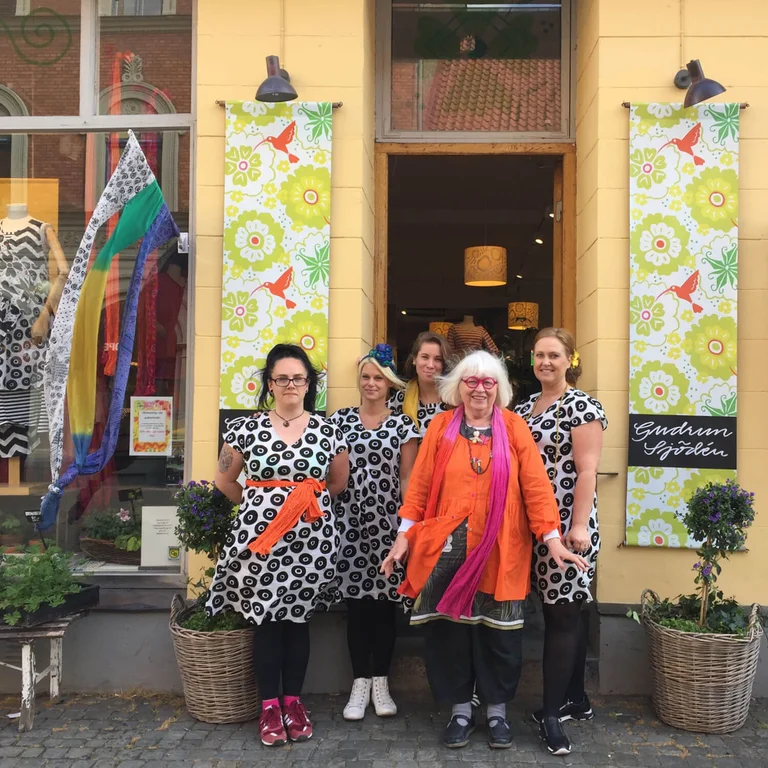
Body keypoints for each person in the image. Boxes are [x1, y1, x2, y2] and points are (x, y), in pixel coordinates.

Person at [382, 350, 588, 750]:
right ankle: (460, 712)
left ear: (500, 388)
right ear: (458, 386)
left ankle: (496, 714)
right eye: (471, 381)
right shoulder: (441, 426)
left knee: (501, 638)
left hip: (502, 552)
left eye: (488, 381)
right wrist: (402, 538)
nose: (480, 389)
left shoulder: (513, 427)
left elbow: (536, 488)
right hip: (447, 553)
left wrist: (552, 539)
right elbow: (420, 487)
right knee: (450, 638)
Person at [210, 343, 349, 748]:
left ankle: (293, 703)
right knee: (267, 623)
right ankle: (269, 706)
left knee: (297, 622)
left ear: (310, 385)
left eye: (299, 378)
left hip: (310, 543)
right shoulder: (244, 430)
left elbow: (337, 483)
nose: (291, 384)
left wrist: (301, 502)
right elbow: (223, 480)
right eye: (282, 378)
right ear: (270, 384)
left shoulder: (328, 431)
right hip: (261, 544)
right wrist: (259, 507)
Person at [515, 328, 607, 756]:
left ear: (570, 359)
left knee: (562, 615)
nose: (545, 362)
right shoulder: (523, 408)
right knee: (569, 609)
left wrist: (580, 525)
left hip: (569, 527)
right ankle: (576, 698)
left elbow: (586, 470)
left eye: (554, 355)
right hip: (528, 525)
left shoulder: (583, 405)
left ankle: (552, 714)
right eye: (539, 355)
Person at [329, 344, 420, 721]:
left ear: (390, 384)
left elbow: (407, 481)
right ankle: (359, 683)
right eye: (365, 377)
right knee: (358, 609)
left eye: (378, 378)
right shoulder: (338, 421)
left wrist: (407, 530)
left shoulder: (404, 426)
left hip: (388, 528)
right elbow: (332, 478)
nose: (371, 384)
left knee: (384, 609)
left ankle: (381, 683)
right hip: (348, 524)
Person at [389, 331, 454, 438]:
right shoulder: (401, 399)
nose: (430, 365)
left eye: (438, 359)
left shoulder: (454, 399)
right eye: (425, 357)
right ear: (414, 359)